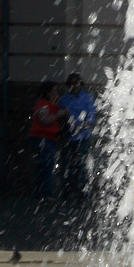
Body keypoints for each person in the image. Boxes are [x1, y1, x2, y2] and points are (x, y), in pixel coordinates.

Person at [58, 72, 97, 205]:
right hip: (68, 136)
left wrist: (81, 125)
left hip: (82, 137)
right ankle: (68, 193)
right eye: (72, 84)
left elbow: (91, 120)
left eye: (77, 83)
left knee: (80, 166)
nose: (75, 86)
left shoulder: (87, 98)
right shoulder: (63, 99)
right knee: (67, 165)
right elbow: (60, 117)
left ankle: (81, 194)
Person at [28, 82, 64, 199]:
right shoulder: (42, 104)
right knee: (47, 165)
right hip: (42, 138)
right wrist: (58, 114)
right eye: (54, 91)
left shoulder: (49, 104)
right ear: (48, 92)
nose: (56, 94)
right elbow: (44, 120)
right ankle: (45, 193)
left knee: (45, 165)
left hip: (48, 138)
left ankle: (42, 192)